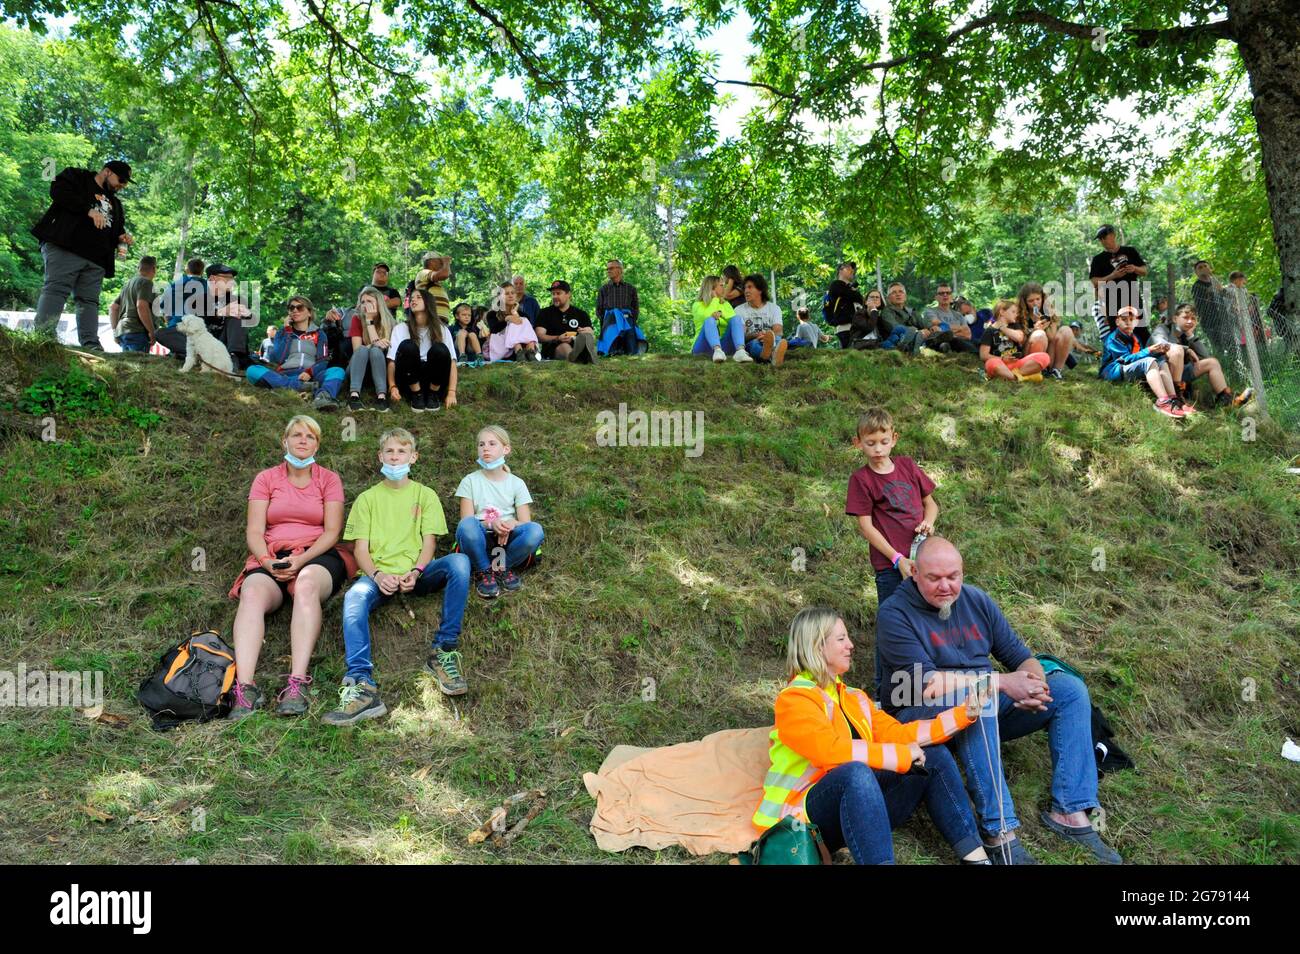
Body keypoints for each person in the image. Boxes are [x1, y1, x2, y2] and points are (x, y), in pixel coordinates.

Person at [879, 537, 1123, 865]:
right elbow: (926, 685)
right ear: (914, 574)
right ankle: (1000, 833)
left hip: (985, 700)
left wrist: (1035, 687)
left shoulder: (977, 600)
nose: (946, 586)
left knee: (1069, 690)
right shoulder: (894, 613)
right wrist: (1002, 683)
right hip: (916, 714)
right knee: (981, 701)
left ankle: (1070, 810)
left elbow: (1020, 656)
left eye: (953, 576)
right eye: (934, 578)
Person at [753, 607, 990, 865]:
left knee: (934, 756)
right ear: (817, 645)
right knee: (855, 773)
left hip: (859, 809)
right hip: (801, 821)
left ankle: (977, 859)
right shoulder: (795, 698)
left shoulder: (854, 697)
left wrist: (963, 713)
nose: (851, 645)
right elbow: (828, 751)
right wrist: (899, 756)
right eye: (841, 639)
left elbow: (899, 734)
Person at [323, 427, 473, 724]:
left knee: (459, 563)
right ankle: (362, 684)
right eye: (389, 451)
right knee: (354, 597)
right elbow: (360, 550)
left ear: (413, 457)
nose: (395, 457)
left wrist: (416, 571)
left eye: (401, 451)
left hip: (417, 572)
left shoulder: (424, 494)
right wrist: (377, 575)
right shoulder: (367, 499)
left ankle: (443, 652)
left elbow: (430, 542)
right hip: (380, 577)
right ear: (380, 456)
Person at [227, 415, 357, 718]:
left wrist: (302, 560)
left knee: (306, 584)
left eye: (310, 437)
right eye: (296, 435)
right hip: (273, 554)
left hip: (316, 555)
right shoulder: (266, 479)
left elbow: (331, 531)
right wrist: (267, 562)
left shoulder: (329, 479)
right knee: (252, 592)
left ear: (317, 445)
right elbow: (254, 531)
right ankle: (244, 688)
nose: (302, 440)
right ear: (284, 441)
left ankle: (297, 683)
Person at [844, 407, 938, 693]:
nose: (877, 449)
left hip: (923, 561)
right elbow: (866, 526)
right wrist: (896, 559)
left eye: (883, 442)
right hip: (890, 567)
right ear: (857, 443)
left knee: (927, 619)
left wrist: (928, 523)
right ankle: (883, 691)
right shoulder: (861, 480)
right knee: (891, 623)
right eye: (870, 443)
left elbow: (931, 504)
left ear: (894, 439)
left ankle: (926, 684)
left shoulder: (908, 466)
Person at [31, 160, 135, 350]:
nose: (122, 185)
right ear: (107, 171)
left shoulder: (116, 204)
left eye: (126, 183)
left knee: (89, 301)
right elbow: (58, 193)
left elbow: (116, 228)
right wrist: (89, 210)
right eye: (121, 179)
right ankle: (43, 337)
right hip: (66, 247)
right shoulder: (77, 177)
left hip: (96, 259)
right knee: (57, 290)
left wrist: (122, 236)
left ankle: (90, 344)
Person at [455, 425, 545, 600]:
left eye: (491, 443)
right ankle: (484, 570)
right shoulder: (470, 481)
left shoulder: (517, 483)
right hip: (481, 538)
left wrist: (510, 524)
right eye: (481, 445)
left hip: (507, 541)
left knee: (535, 530)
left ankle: (501, 567)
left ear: (506, 449)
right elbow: (466, 523)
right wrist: (490, 524)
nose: (485, 448)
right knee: (467, 525)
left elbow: (525, 522)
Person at [246, 295, 347, 411]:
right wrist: (287, 332)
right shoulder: (282, 333)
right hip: (286, 374)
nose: (294, 310)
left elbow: (323, 360)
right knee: (252, 370)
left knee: (337, 371)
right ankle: (299, 386)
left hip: (311, 376)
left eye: (299, 307)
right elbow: (277, 358)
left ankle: (323, 396)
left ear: (309, 313)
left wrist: (310, 372)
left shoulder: (319, 334)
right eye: (291, 308)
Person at [1150, 303, 1250, 410]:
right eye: (1185, 318)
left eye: (1193, 319)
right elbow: (1160, 345)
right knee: (1177, 350)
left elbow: (1205, 356)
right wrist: (1186, 349)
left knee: (1212, 362)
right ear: (1175, 319)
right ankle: (1176, 399)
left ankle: (1226, 401)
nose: (1190, 321)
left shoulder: (1185, 336)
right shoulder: (1162, 329)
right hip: (1160, 372)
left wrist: (1190, 335)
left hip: (1180, 373)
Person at [1099, 305, 1185, 418]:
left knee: (1161, 360)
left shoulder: (1135, 338)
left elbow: (1138, 357)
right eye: (1124, 319)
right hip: (1112, 371)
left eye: (1131, 320)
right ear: (1117, 321)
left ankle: (1173, 399)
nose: (1128, 322)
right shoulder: (1113, 338)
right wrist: (1149, 350)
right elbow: (1125, 359)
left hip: (1127, 369)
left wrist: (1157, 351)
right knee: (1148, 362)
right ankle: (1163, 402)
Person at [387, 287, 458, 412]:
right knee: (407, 346)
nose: (414, 300)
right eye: (412, 298)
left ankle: (433, 395)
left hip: (433, 380)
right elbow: (392, 361)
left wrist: (451, 392)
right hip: (409, 380)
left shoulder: (442, 329)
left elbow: (452, 362)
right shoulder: (400, 328)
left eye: (419, 297)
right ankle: (417, 395)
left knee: (440, 349)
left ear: (428, 302)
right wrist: (392, 386)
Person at [1089, 224, 1148, 340]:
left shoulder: (1130, 251)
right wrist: (1112, 275)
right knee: (1118, 333)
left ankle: (1148, 355)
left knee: (1140, 329)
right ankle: (1123, 357)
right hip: (1112, 301)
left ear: (1113, 235)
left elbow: (1144, 271)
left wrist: (1134, 268)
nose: (1102, 241)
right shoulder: (1098, 259)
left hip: (1132, 296)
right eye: (1100, 239)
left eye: (1104, 237)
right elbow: (1094, 282)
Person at [343, 287, 395, 411]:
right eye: (363, 302)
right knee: (363, 349)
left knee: (376, 351)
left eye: (369, 301)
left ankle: (381, 397)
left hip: (380, 371)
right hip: (359, 368)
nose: (365, 305)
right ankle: (354, 396)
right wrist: (368, 321)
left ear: (379, 303)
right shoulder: (357, 318)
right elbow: (357, 351)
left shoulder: (391, 322)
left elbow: (387, 353)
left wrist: (370, 322)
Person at [1016, 281, 1076, 379]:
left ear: (1043, 298)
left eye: (1038, 299)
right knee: (1039, 335)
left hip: (1049, 355)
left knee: (1066, 330)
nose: (1035, 303)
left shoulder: (1049, 312)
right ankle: (1034, 370)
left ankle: (1056, 371)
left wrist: (1050, 320)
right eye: (1031, 301)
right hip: (1027, 355)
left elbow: (1052, 337)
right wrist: (1033, 330)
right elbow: (1019, 342)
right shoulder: (1019, 315)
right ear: (1024, 302)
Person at [979, 299, 1050, 382]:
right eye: (1013, 312)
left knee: (1045, 357)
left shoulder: (1015, 325)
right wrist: (1002, 359)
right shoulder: (989, 331)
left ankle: (1012, 376)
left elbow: (1019, 337)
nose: (1016, 315)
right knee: (990, 363)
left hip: (1019, 364)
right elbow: (983, 355)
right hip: (1001, 364)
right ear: (1002, 312)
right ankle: (1020, 377)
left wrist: (1002, 328)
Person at [535, 280, 597, 363]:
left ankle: (583, 354)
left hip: (576, 344)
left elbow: (590, 332)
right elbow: (539, 336)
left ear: (568, 294)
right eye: (553, 294)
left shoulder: (581, 314)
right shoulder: (544, 313)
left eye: (558, 293)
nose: (555, 296)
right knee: (565, 346)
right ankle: (576, 357)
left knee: (587, 336)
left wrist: (588, 331)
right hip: (553, 349)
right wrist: (558, 338)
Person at [733, 273, 787, 367]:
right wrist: (756, 335)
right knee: (753, 345)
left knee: (779, 339)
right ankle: (772, 356)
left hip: (772, 339)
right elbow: (741, 336)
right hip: (753, 340)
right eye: (745, 288)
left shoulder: (774, 308)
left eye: (750, 287)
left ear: (760, 290)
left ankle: (770, 354)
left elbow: (778, 331)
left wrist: (767, 337)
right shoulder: (739, 310)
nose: (746, 291)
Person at [109, 256, 159, 353]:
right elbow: (141, 306)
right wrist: (152, 332)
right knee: (139, 366)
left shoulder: (127, 285)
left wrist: (115, 331)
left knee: (127, 366)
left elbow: (113, 307)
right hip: (137, 332)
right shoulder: (146, 282)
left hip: (123, 331)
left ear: (138, 268)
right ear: (154, 268)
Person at [689, 275, 743, 363]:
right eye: (721, 285)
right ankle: (717, 350)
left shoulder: (725, 304)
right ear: (712, 288)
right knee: (710, 320)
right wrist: (714, 299)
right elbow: (706, 318)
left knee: (737, 318)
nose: (724, 288)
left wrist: (721, 315)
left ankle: (741, 351)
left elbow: (733, 323)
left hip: (724, 346)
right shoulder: (697, 305)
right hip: (703, 346)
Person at [850, 288, 921, 353]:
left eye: (877, 297)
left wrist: (897, 338)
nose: (874, 299)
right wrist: (873, 310)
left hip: (877, 344)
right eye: (872, 297)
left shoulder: (879, 318)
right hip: (862, 344)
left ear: (880, 302)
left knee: (899, 329)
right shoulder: (859, 314)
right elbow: (869, 327)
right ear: (865, 302)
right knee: (890, 344)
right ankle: (905, 347)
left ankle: (911, 341)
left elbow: (885, 335)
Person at [485, 281, 540, 363]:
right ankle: (523, 351)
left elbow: (526, 332)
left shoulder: (523, 314)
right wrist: (508, 318)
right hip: (500, 347)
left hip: (521, 346)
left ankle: (529, 351)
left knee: (523, 320)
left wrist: (514, 313)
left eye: (513, 293)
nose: (510, 295)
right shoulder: (492, 314)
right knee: (516, 321)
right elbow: (494, 330)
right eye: (506, 294)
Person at [595, 259, 641, 356]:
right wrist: (607, 321)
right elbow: (599, 310)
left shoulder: (631, 289)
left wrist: (630, 319)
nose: (608, 271)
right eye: (607, 269)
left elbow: (635, 308)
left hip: (627, 323)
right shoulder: (603, 289)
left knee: (631, 353)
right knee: (610, 354)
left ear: (620, 270)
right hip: (610, 325)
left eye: (611, 268)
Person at [922, 283, 977, 354]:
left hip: (962, 341)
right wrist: (960, 329)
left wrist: (944, 330)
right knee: (958, 342)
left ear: (951, 296)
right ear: (936, 297)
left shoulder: (958, 315)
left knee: (979, 342)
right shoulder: (930, 311)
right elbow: (936, 325)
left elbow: (968, 334)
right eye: (941, 293)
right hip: (944, 342)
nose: (945, 295)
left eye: (948, 293)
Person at [824, 262, 864, 348]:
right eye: (849, 268)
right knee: (850, 354)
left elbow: (861, 301)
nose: (852, 270)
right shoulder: (836, 285)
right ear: (840, 270)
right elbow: (854, 296)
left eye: (853, 269)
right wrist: (854, 292)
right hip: (845, 328)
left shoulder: (849, 288)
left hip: (857, 327)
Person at [415, 252, 453, 325]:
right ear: (432, 262)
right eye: (440, 262)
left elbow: (447, 273)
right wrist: (446, 262)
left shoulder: (434, 281)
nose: (441, 264)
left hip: (439, 320)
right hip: (431, 318)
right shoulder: (424, 273)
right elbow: (445, 274)